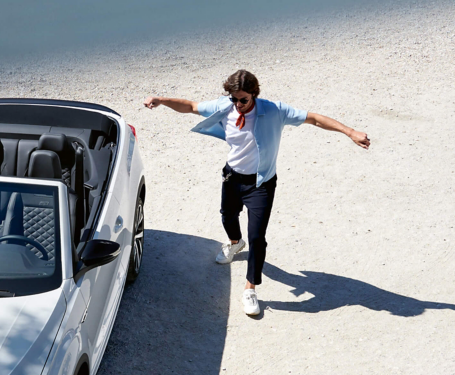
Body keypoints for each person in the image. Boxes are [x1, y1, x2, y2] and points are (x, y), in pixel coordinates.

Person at [143, 70, 369, 316]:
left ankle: (250, 288)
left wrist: (350, 132)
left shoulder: (274, 110)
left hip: (261, 184)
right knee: (227, 216)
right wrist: (162, 100)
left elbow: (313, 118)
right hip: (232, 177)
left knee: (258, 237)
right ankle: (234, 243)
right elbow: (191, 106)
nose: (238, 105)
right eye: (234, 99)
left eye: (243, 100)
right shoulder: (225, 107)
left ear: (254, 94)